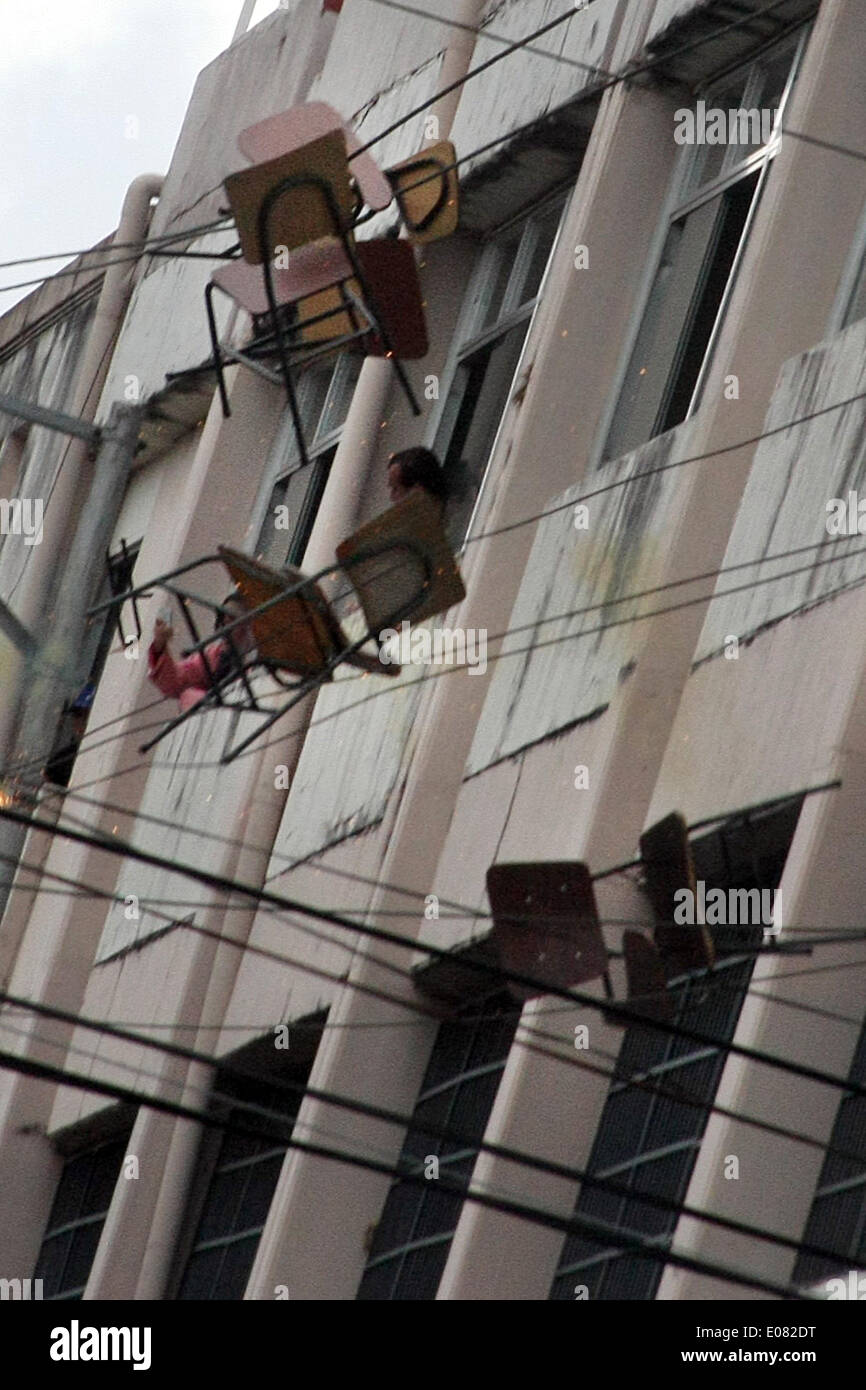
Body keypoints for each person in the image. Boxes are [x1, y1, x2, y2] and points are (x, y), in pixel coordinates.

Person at [148, 593, 253, 711]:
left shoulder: (259, 659)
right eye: (224, 618)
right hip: (218, 717)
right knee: (190, 696)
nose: (225, 626)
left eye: (233, 619)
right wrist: (160, 645)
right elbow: (176, 681)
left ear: (249, 625)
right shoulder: (216, 655)